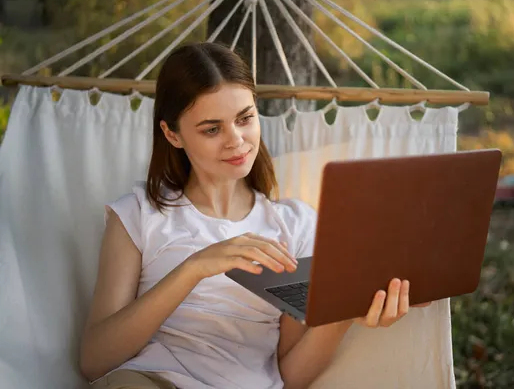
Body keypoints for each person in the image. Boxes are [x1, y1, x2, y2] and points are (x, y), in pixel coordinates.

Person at [79, 42, 430, 389]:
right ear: (172, 134)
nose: (237, 140)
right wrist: (194, 268)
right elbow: (95, 361)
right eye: (212, 129)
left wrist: (342, 316)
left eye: (245, 118)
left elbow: (287, 374)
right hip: (149, 380)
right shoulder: (140, 213)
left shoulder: (295, 226)